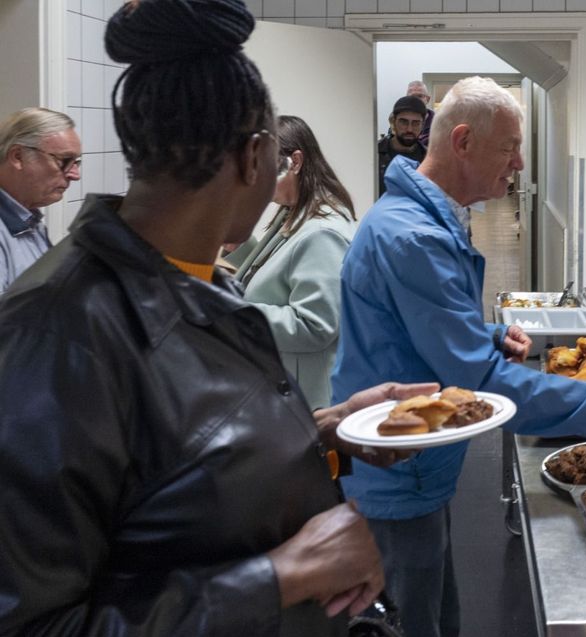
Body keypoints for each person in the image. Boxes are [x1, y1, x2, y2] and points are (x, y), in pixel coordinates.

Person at [0, 1, 426, 633]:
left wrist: (325, 436)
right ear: (255, 157)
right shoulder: (57, 335)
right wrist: (283, 577)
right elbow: (33, 623)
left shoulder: (201, 280)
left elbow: (175, 473)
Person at [332, 75, 586, 637]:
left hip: (414, 467)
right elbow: (483, 382)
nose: (518, 162)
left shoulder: (424, 219)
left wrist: (484, 337)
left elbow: (416, 334)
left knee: (439, 618)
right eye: (509, 146)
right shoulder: (414, 237)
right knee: (412, 622)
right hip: (396, 474)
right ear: (463, 141)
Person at [229, 114, 357, 409]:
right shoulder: (295, 210)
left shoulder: (323, 232)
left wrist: (236, 313)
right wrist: (239, 243)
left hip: (307, 397)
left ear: (295, 162)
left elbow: (315, 325)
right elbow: (276, 272)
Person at [0, 107, 81, 293]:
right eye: (64, 160)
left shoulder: (29, 220)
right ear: (18, 157)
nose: (75, 175)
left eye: (76, 162)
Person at [378, 95, 427, 196]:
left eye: (416, 123)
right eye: (403, 122)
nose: (409, 129)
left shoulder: (428, 159)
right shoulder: (374, 154)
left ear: (422, 125)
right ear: (393, 122)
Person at [407, 79, 435, 148]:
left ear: (427, 99)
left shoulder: (438, 122)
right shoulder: (398, 121)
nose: (416, 100)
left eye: (420, 96)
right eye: (412, 96)